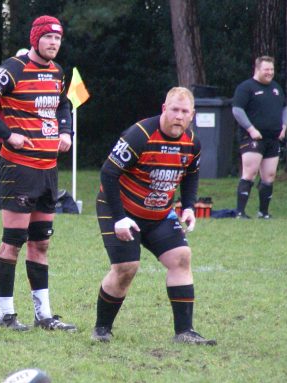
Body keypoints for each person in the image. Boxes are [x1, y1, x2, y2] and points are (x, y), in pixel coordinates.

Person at [0, 16, 76, 332]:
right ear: (35, 38)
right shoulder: (14, 67)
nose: (54, 43)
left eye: (58, 38)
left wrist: (66, 131)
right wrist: (7, 134)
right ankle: (6, 314)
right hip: (19, 168)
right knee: (14, 241)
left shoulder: (56, 72)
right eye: (48, 38)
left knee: (41, 244)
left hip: (48, 170)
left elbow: (62, 104)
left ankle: (44, 314)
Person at [92, 87, 216, 346]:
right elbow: (108, 174)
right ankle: (102, 329)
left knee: (181, 258)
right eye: (174, 110)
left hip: (160, 214)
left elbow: (191, 173)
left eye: (184, 112)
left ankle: (185, 332)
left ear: (191, 115)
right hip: (121, 210)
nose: (179, 116)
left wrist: (189, 207)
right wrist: (119, 219)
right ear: (164, 109)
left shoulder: (192, 142)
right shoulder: (140, 135)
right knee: (126, 268)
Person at [231, 56, 287, 219]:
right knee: (250, 173)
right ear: (257, 69)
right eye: (266, 70)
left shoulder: (276, 88)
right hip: (253, 138)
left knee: (269, 176)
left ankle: (264, 212)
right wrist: (251, 129)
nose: (269, 73)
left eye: (272, 69)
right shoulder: (246, 87)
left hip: (273, 139)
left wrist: (283, 127)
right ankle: (240, 212)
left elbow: (285, 108)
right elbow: (237, 110)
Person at [0, 48, 29, 210]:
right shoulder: (8, 75)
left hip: (26, 132)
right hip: (6, 131)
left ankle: (19, 198)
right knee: (2, 166)